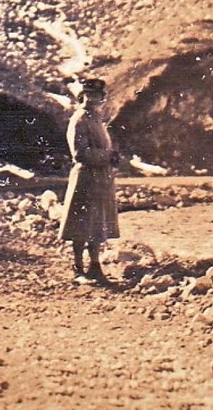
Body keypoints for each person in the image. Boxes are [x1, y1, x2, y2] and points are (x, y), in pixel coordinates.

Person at [58, 78, 119, 283]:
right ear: (82, 96)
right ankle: (78, 267)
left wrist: (111, 157)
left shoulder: (96, 119)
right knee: (81, 224)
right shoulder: (80, 120)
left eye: (96, 96)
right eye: (89, 95)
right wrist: (107, 156)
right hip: (85, 178)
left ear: (102, 98)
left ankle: (94, 266)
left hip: (99, 179)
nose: (92, 99)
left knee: (97, 223)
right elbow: (80, 153)